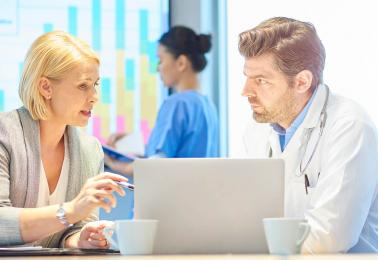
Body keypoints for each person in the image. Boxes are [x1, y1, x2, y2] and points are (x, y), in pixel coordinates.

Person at [239, 17, 378, 253]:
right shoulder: (257, 129)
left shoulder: (350, 126)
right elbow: (250, 218)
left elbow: (329, 237)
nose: (245, 91)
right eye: (246, 77)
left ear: (302, 82)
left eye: (261, 81)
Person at [0, 31, 127, 248]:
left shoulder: (90, 149)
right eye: (83, 86)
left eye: (96, 84)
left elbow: (73, 231)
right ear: (46, 87)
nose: (94, 96)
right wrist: (69, 211)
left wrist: (84, 238)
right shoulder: (5, 133)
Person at [106, 26, 219, 176]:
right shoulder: (207, 105)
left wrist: (113, 163)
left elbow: (155, 166)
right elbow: (180, 156)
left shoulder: (177, 104)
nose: (157, 68)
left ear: (181, 63)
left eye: (160, 60)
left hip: (171, 197)